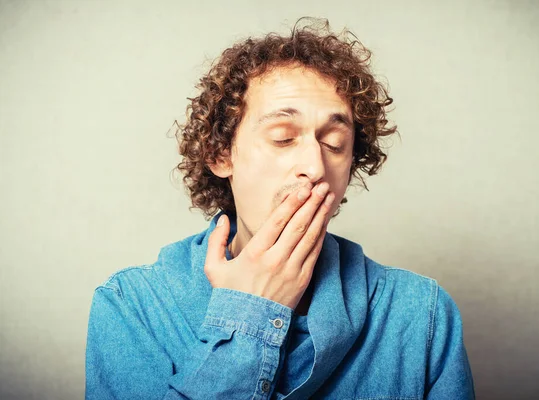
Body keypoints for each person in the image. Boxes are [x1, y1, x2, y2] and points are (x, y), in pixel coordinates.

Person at [85, 18, 475, 400]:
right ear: (221, 155)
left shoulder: (421, 313)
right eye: (283, 138)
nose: (315, 166)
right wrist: (250, 313)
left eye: (335, 143)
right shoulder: (131, 304)